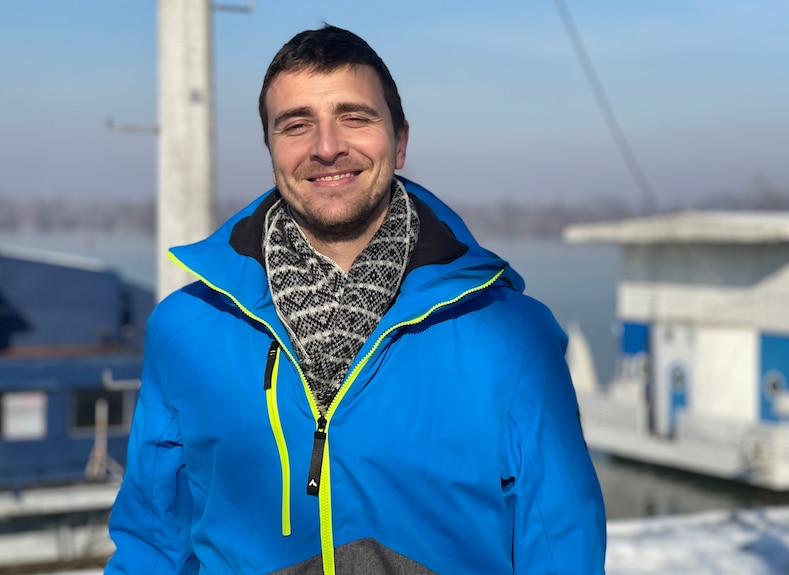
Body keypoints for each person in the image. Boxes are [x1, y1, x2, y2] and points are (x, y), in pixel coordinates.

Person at [106, 24, 606, 575]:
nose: (326, 146)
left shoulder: (512, 338)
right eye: (297, 125)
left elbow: (562, 550)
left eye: (355, 118)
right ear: (271, 149)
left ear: (401, 141)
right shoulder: (184, 331)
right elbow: (151, 548)